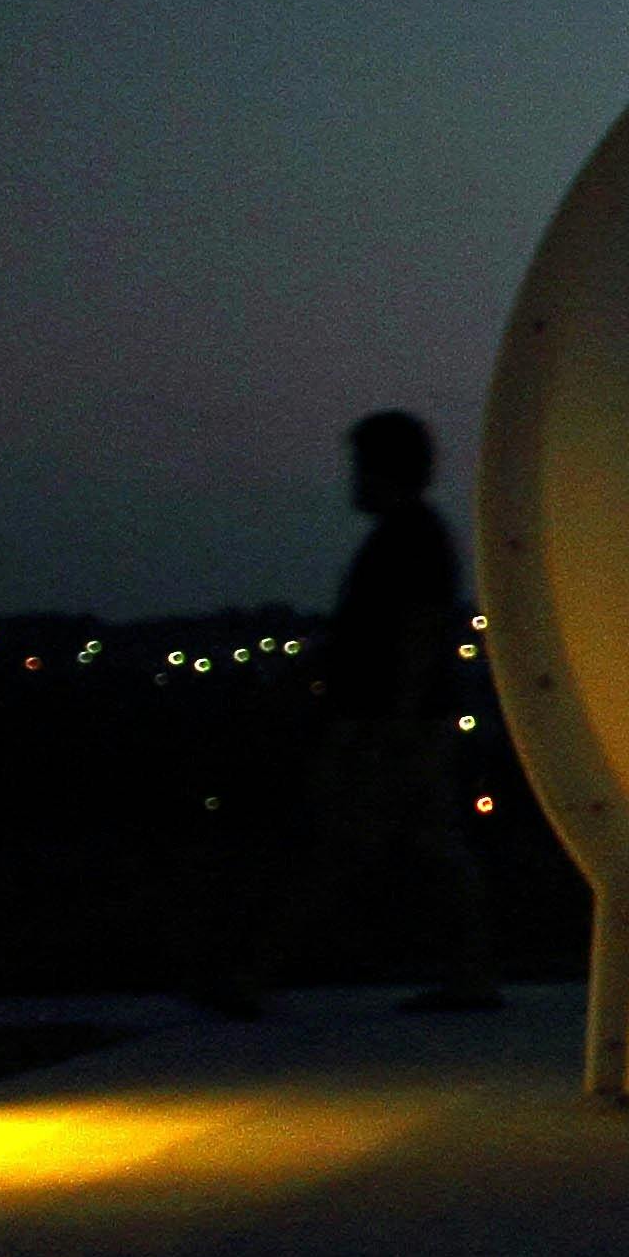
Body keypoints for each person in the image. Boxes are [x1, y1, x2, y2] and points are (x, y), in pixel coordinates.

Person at [199, 409, 499, 1017]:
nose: (351, 480)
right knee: (419, 850)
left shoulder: (409, 540)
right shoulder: (412, 536)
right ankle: (471, 976)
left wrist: (392, 723)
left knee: (336, 849)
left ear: (381, 468)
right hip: (401, 723)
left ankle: (253, 977)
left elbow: (413, 634)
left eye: (360, 465)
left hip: (389, 727)